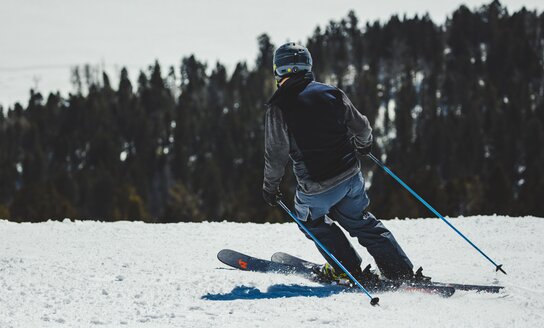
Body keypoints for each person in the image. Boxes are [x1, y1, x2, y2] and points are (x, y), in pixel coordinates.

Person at [262, 42, 416, 282]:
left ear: (277, 71)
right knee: (362, 223)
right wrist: (364, 144)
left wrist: (270, 187)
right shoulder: (331, 93)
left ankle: (346, 269)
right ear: (308, 67)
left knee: (310, 221)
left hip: (316, 187)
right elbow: (362, 126)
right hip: (350, 177)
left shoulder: (278, 107)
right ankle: (400, 272)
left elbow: (276, 153)